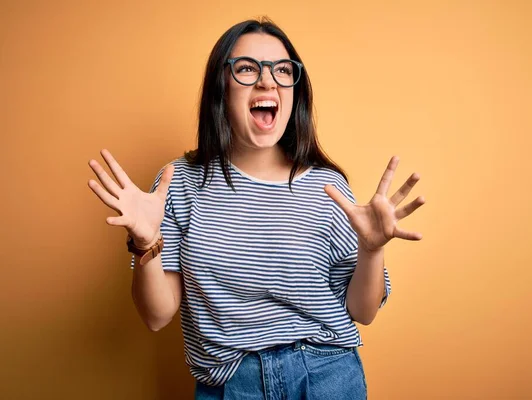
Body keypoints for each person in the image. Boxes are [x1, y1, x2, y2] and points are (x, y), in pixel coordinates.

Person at [88, 17, 424, 400]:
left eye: (283, 70)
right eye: (247, 68)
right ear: (221, 88)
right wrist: (146, 243)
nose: (268, 81)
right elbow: (156, 315)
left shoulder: (325, 187)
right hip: (231, 384)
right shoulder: (178, 183)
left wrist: (372, 249)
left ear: (295, 90)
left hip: (326, 376)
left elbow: (363, 312)